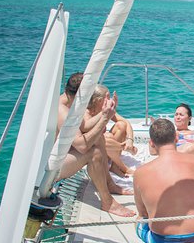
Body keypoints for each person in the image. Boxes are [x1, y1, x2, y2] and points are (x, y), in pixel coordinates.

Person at [133, 118, 194, 243]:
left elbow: (143, 213)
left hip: (162, 242)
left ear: (151, 143)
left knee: (138, 221)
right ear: (176, 137)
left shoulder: (139, 173)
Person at [57, 72, 135, 217]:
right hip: (55, 166)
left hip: (64, 155)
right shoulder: (63, 111)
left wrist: (106, 112)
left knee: (98, 139)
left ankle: (109, 184)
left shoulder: (70, 103)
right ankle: (108, 202)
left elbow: (85, 125)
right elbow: (82, 146)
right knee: (94, 152)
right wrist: (105, 118)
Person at [86, 84, 136, 177]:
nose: (110, 101)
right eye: (108, 98)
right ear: (99, 101)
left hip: (108, 148)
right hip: (95, 150)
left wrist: (130, 141)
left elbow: (126, 122)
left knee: (121, 125)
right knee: (107, 137)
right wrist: (122, 147)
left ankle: (115, 166)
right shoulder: (88, 114)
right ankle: (123, 167)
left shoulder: (105, 109)